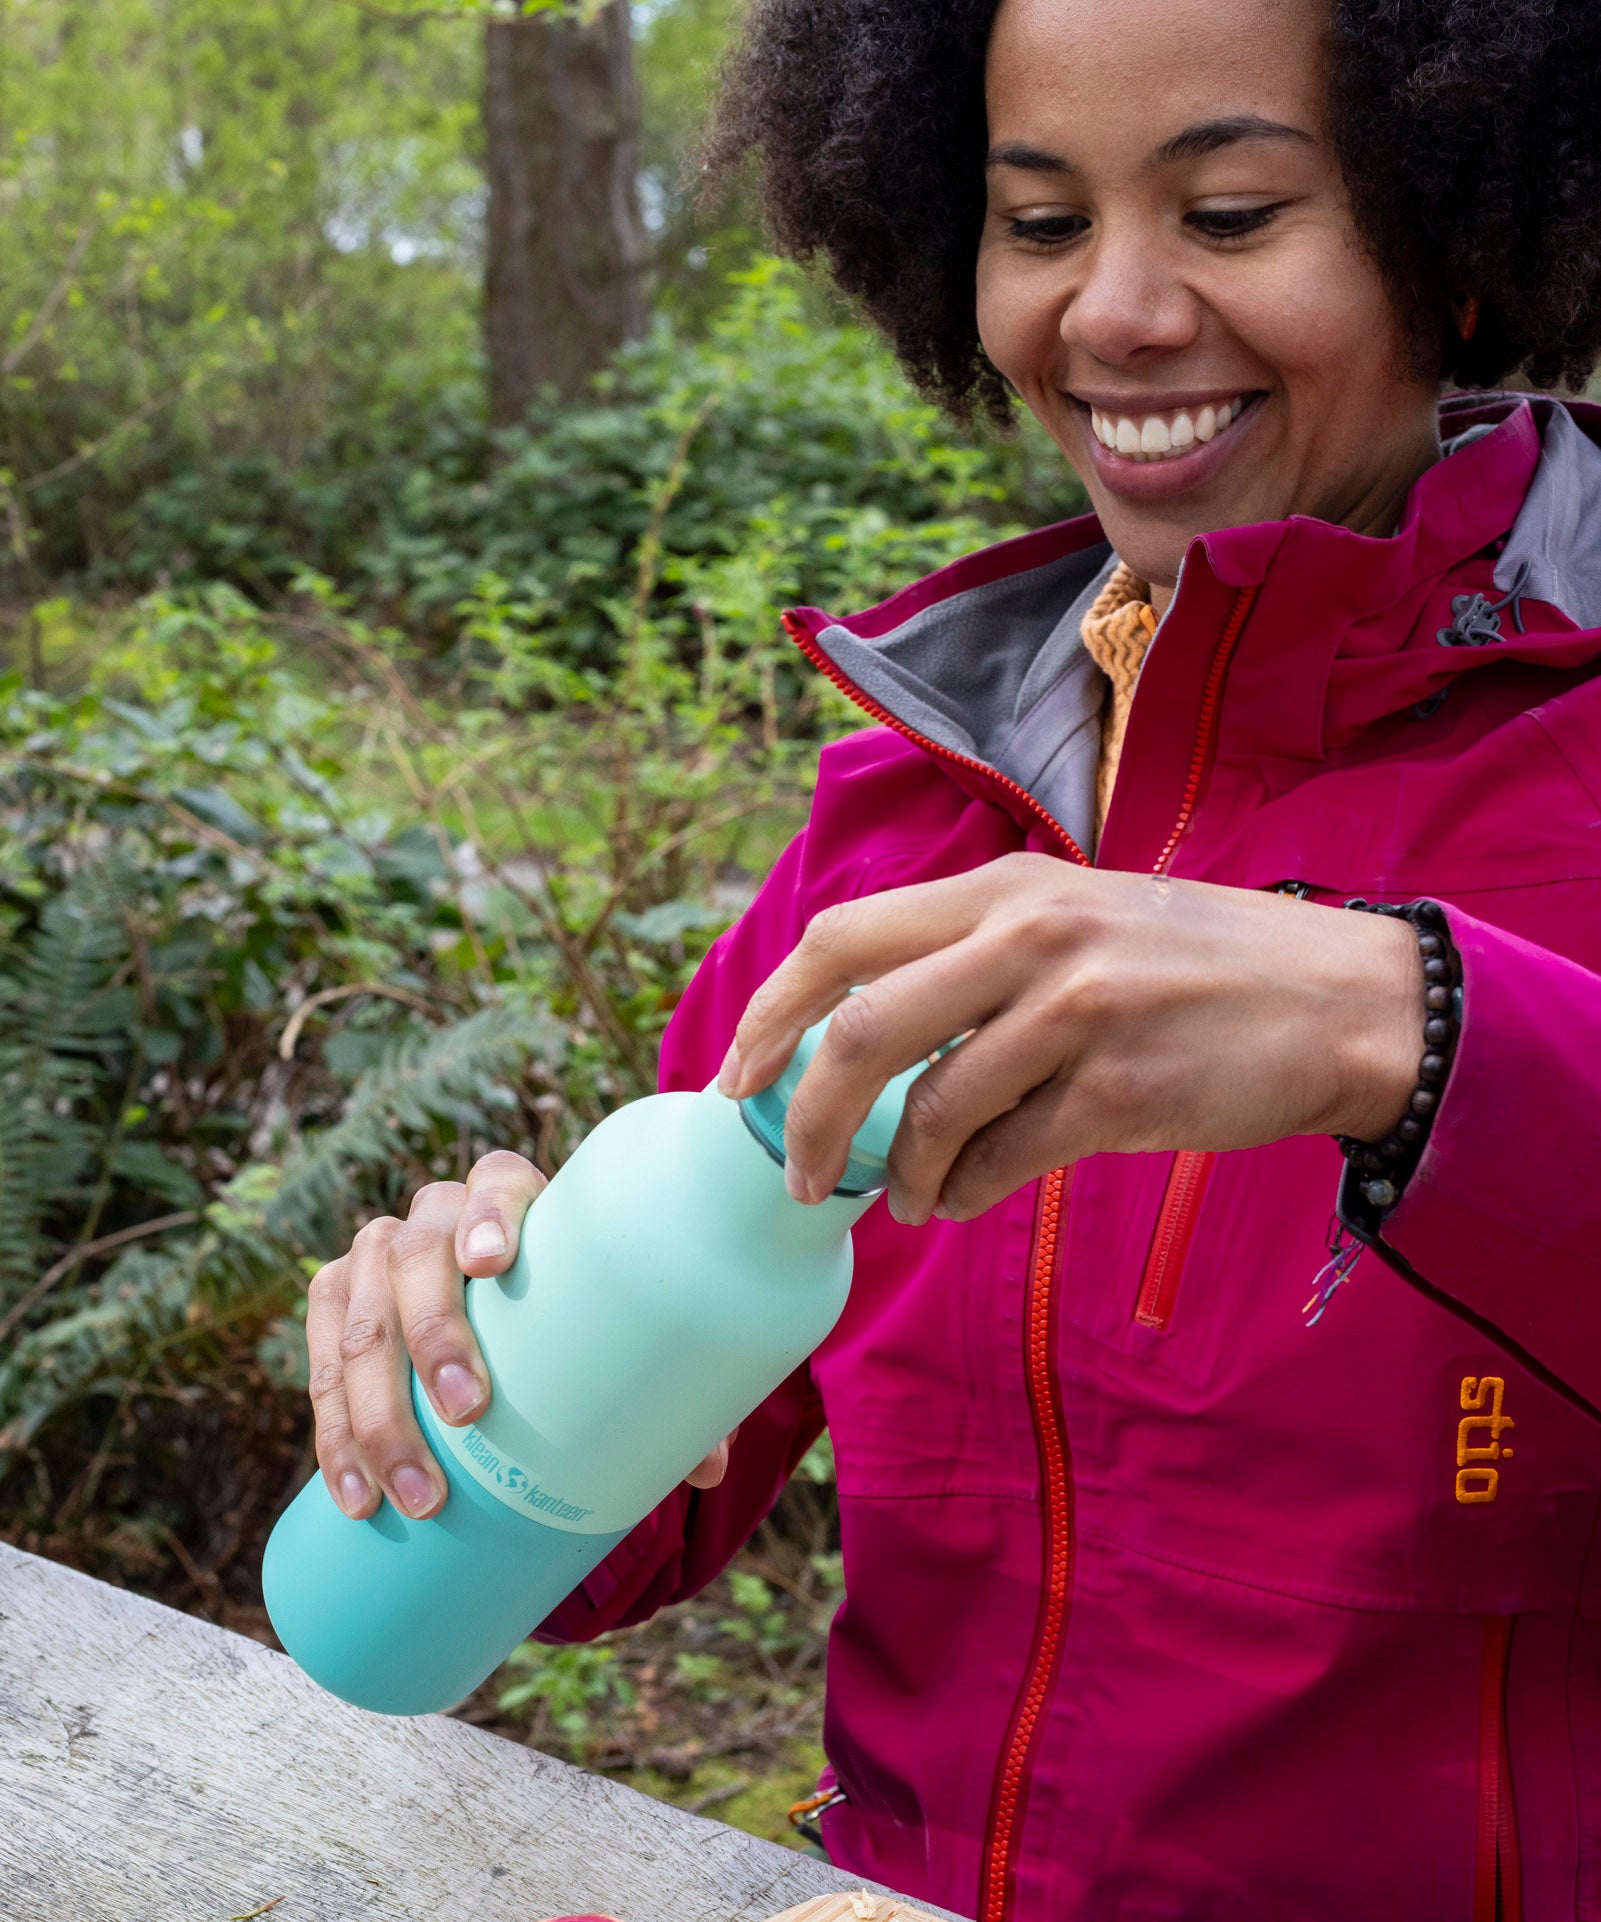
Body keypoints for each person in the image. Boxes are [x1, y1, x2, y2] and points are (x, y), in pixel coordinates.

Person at [300, 0, 1601, 1913]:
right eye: (1042, 221)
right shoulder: (900, 817)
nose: (1116, 314)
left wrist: (1411, 1032)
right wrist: (470, 1368)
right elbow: (638, 1513)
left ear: (1461, 241)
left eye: (1233, 212)